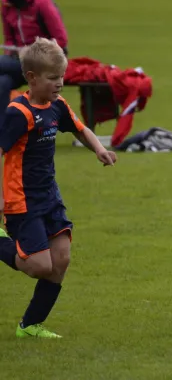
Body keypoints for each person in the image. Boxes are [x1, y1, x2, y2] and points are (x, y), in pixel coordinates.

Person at [0, 38, 117, 338]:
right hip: (21, 199)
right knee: (38, 265)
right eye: (53, 78)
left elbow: (80, 128)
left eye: (62, 77)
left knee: (61, 259)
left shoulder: (57, 106)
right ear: (31, 78)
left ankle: (30, 326)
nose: (60, 83)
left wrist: (98, 150)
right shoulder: (18, 113)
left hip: (49, 195)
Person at [1, 0, 67, 126]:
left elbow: (61, 39)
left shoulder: (42, 3)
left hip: (46, 62)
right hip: (18, 63)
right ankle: (2, 132)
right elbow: (9, 39)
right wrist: (11, 51)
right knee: (2, 82)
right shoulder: (6, 5)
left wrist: (34, 50)